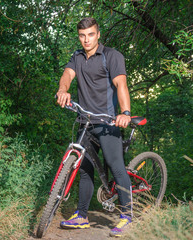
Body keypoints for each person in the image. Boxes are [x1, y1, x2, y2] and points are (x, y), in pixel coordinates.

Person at [56, 17, 133, 237]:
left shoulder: (111, 56)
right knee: (85, 170)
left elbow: (121, 84)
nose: (86, 39)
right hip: (85, 122)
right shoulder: (77, 57)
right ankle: (82, 215)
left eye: (91, 34)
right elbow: (67, 76)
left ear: (98, 34)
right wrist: (63, 90)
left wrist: (125, 113)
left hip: (108, 122)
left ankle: (127, 215)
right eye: (82, 35)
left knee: (115, 165)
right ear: (79, 36)